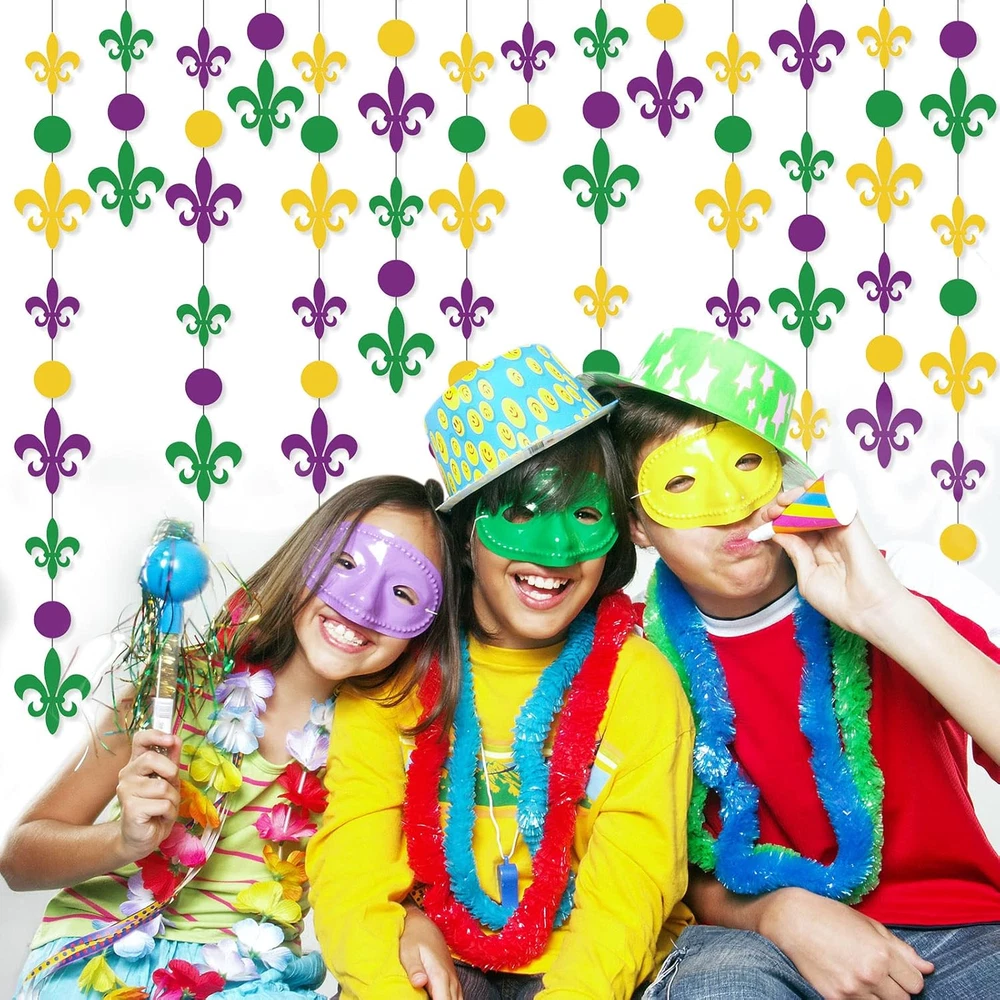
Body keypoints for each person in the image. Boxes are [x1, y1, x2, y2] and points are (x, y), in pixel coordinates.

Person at [590, 328, 1000, 1000]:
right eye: (682, 483)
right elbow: (645, 851)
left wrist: (884, 611)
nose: (729, 508)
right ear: (637, 524)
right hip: (749, 938)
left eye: (747, 465)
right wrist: (776, 915)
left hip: (958, 929)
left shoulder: (898, 583)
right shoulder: (629, 653)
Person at [308, 345, 695, 1000]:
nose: (556, 552)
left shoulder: (639, 681)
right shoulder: (396, 674)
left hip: (599, 971)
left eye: (584, 515)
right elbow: (354, 868)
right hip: (444, 958)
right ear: (464, 534)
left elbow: (630, 889)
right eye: (518, 514)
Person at [2, 476, 458, 1000]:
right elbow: (19, 858)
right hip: (96, 959)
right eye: (345, 563)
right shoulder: (177, 688)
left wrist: (409, 917)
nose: (362, 603)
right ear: (306, 557)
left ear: (425, 627)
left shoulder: (382, 749)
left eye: (402, 593)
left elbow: (368, 875)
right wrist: (121, 840)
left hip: (251, 981)